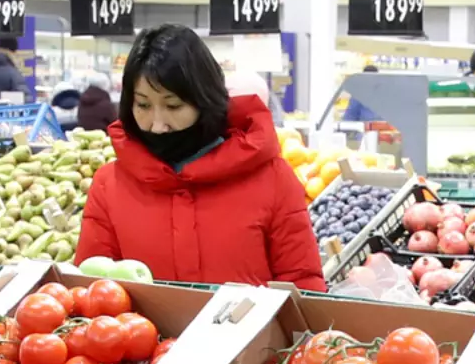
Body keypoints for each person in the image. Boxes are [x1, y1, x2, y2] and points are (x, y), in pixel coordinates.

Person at [75, 24, 323, 292]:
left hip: (251, 334)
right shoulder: (109, 184)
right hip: (138, 335)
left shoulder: (272, 178)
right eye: (143, 105)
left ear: (204, 100)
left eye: (173, 106)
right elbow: (91, 291)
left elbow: (304, 287)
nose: (158, 125)